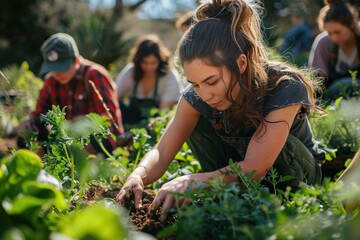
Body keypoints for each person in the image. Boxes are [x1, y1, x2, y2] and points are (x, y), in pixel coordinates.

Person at [116, 0, 324, 220]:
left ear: (241, 63)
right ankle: (228, 200)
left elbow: (257, 166)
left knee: (281, 146)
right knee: (194, 120)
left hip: (298, 183)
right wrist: (139, 175)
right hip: (236, 184)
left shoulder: (283, 85)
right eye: (195, 84)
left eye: (212, 81)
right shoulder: (196, 97)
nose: (205, 94)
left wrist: (193, 181)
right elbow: (163, 151)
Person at [18, 33, 124, 154]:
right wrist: (29, 125)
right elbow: (39, 114)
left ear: (77, 61)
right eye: (53, 68)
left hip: (97, 139)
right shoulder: (51, 80)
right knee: (28, 133)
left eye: (62, 68)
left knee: (91, 143)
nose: (57, 73)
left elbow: (109, 121)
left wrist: (83, 123)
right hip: (68, 140)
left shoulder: (94, 75)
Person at [115, 34, 182, 129]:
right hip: (130, 120)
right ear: (138, 61)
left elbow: (163, 113)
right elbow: (115, 97)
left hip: (156, 122)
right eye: (144, 62)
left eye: (153, 62)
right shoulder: (130, 72)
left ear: (160, 60)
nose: (148, 67)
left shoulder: (169, 77)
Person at [308, 0, 360, 100]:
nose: (334, 38)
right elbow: (316, 81)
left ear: (352, 25)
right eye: (330, 33)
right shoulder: (324, 42)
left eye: (338, 32)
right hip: (333, 96)